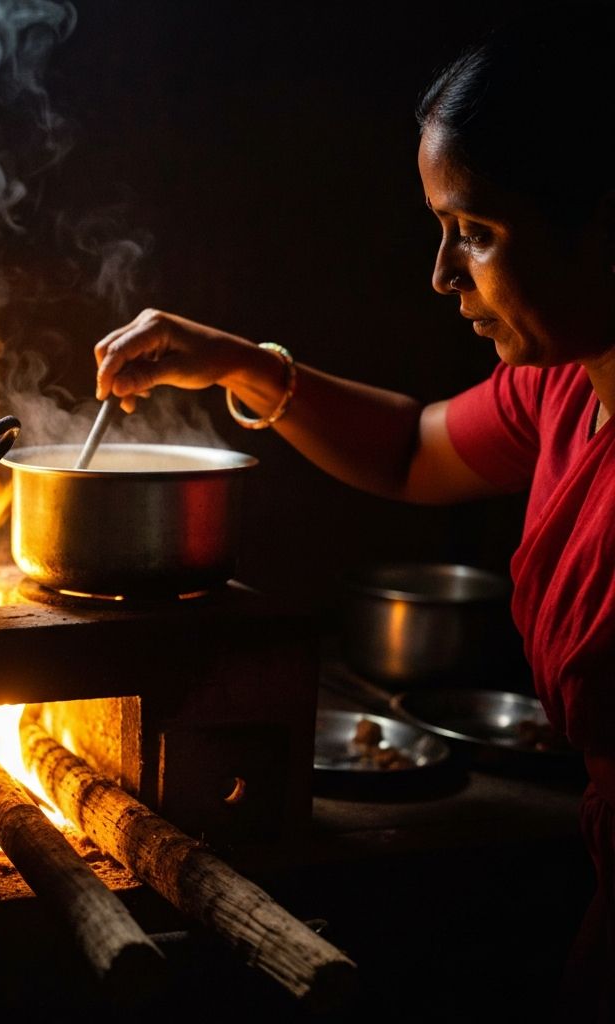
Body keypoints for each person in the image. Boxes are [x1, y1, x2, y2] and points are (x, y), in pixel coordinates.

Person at [92, 7, 615, 1020]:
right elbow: (412, 449)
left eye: (475, 233)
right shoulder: (566, 386)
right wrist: (242, 364)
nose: (440, 276)